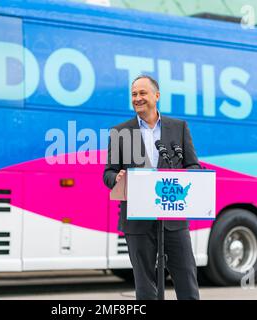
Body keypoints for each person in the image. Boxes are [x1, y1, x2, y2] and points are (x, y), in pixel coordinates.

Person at [103, 75, 200, 300]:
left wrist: (185, 176)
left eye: (142, 93)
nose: (137, 98)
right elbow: (107, 173)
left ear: (156, 96)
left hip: (173, 220)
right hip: (137, 221)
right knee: (146, 288)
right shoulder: (120, 132)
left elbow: (193, 164)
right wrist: (116, 177)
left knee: (186, 279)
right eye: (134, 94)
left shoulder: (179, 128)